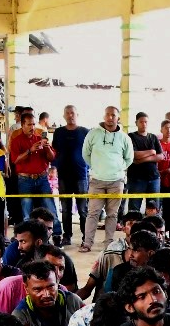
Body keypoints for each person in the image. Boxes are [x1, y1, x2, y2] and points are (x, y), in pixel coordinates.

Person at [79, 106, 134, 253]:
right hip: (96, 180)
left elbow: (129, 158)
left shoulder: (124, 137)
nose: (110, 118)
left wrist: (117, 169)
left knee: (112, 214)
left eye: (113, 115)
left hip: (116, 181)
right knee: (93, 213)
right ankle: (87, 243)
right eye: (108, 115)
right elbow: (85, 154)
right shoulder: (93, 133)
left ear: (118, 118)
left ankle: (109, 244)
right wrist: (97, 167)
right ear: (104, 116)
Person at [8, 110, 60, 235]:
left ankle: (57, 234)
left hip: (42, 178)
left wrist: (47, 148)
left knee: (50, 208)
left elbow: (52, 157)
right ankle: (28, 237)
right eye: (29, 124)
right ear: (22, 125)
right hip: (25, 179)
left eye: (33, 124)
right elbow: (15, 160)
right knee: (27, 211)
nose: (32, 127)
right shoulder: (16, 140)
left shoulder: (40, 138)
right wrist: (30, 150)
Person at [51, 105, 89, 245]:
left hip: (81, 175)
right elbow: (54, 151)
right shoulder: (59, 132)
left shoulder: (85, 132)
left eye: (72, 113)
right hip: (63, 176)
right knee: (65, 209)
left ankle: (86, 237)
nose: (70, 115)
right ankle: (67, 236)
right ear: (64, 115)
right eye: (67, 113)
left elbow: (91, 152)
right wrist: (53, 167)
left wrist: (88, 167)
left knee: (83, 209)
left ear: (77, 114)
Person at [126, 111, 163, 213]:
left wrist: (143, 159)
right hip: (136, 178)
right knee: (134, 209)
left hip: (153, 178)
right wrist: (151, 152)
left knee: (154, 209)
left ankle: (152, 224)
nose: (144, 124)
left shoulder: (153, 137)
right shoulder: (131, 136)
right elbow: (134, 154)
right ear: (136, 123)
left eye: (146, 122)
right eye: (141, 122)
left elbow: (160, 156)